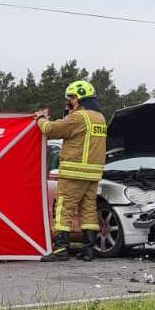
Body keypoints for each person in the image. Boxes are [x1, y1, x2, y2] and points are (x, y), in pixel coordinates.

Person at [33, 79, 107, 262]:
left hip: (73, 172)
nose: (70, 101)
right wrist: (68, 114)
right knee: (88, 210)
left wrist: (39, 119)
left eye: (72, 98)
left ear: (79, 97)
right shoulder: (100, 118)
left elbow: (52, 130)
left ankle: (60, 250)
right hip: (93, 173)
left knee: (62, 208)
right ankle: (88, 250)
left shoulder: (79, 117)